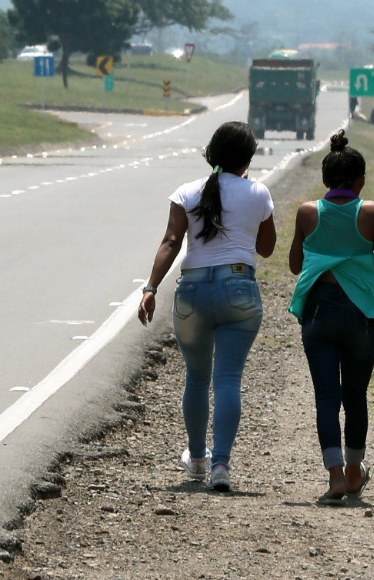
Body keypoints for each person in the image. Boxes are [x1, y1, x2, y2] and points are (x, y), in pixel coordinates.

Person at [138, 121, 277, 492]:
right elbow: (266, 248)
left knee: (197, 376)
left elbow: (171, 241)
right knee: (228, 379)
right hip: (239, 289)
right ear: (248, 159)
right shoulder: (258, 193)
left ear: (211, 154)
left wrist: (150, 287)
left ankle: (196, 458)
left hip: (193, 292)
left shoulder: (186, 192)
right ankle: (221, 466)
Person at [288, 129, 374, 505]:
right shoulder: (372, 212)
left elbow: (295, 264)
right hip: (359, 314)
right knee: (356, 395)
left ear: (324, 179)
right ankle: (354, 473)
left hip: (318, 311)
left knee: (326, 397)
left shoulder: (306, 212)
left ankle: (333, 476)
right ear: (361, 180)